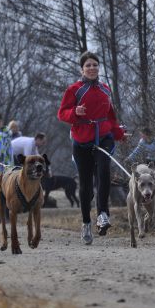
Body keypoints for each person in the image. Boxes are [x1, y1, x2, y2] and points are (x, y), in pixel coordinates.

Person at [57, 50, 125, 245]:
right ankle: (86, 222)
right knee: (86, 186)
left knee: (103, 172)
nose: (92, 68)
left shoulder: (105, 89)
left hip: (103, 137)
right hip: (82, 141)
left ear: (99, 67)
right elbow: (62, 113)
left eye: (95, 65)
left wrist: (119, 133)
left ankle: (103, 214)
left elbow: (111, 117)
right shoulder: (74, 90)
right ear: (82, 69)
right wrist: (75, 112)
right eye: (88, 65)